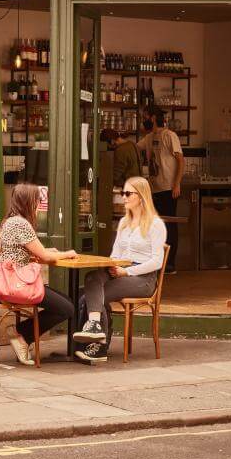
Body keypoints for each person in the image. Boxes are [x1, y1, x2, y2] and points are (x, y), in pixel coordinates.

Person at [73, 176, 166, 364]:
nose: (123, 197)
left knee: (94, 295)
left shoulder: (156, 224)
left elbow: (157, 261)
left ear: (141, 197)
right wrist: (113, 265)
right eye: (122, 193)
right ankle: (95, 327)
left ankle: (99, 346)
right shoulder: (124, 222)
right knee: (92, 278)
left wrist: (127, 272)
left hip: (143, 279)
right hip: (121, 270)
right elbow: (115, 253)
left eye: (127, 193)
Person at [0, 184, 76, 367]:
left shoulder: (10, 221)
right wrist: (67, 253)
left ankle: (21, 334)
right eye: (38, 200)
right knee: (67, 308)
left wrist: (48, 251)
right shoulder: (22, 224)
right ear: (28, 202)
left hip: (5, 279)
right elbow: (44, 256)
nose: (39, 204)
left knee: (67, 302)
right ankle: (21, 335)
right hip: (17, 283)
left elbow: (27, 250)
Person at [139, 109, 184, 273]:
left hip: (168, 188)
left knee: (169, 226)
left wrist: (177, 184)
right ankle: (157, 263)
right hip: (154, 189)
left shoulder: (169, 135)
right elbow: (136, 147)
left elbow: (181, 160)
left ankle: (170, 264)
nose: (143, 121)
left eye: (145, 117)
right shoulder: (149, 137)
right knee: (156, 227)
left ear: (152, 117)